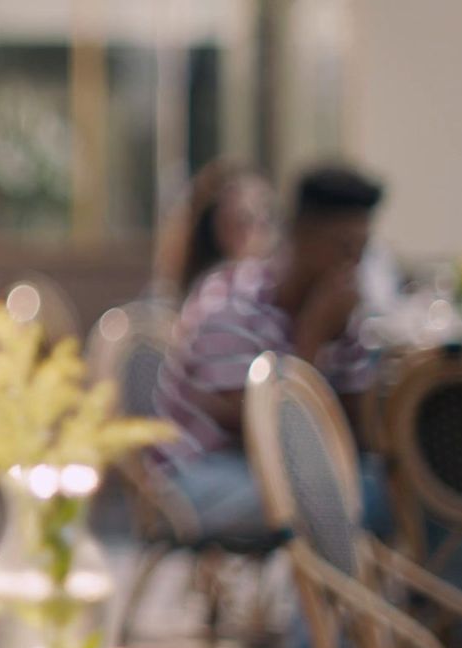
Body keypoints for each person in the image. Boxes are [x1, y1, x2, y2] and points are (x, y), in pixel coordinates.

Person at [153, 164, 385, 542]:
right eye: (343, 247)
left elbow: (355, 428)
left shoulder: (343, 310)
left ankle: (430, 599)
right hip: (201, 475)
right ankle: (319, 604)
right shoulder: (229, 303)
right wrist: (313, 334)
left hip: (287, 472)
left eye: (362, 251)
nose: (353, 264)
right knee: (323, 503)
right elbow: (263, 433)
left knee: (411, 494)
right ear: (301, 235)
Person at [150, 159, 278, 304]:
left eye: (268, 213)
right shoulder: (210, 298)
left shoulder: (283, 285)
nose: (259, 225)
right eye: (242, 219)